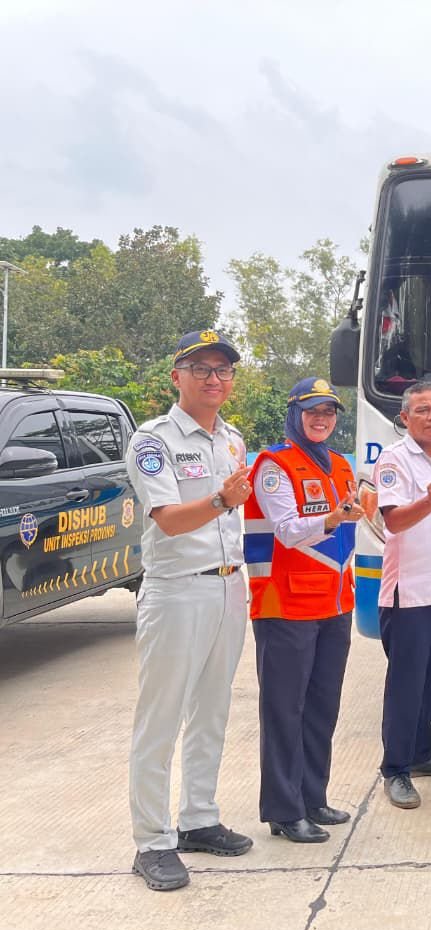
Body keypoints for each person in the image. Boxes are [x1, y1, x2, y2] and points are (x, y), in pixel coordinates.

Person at [125, 330, 254, 892]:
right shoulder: (153, 440)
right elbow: (170, 520)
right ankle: (152, 841)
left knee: (211, 711)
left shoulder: (233, 440)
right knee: (161, 718)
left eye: (223, 369)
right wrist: (222, 498)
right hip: (177, 590)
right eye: (200, 368)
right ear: (176, 377)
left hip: (228, 587)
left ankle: (198, 818)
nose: (213, 379)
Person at [244, 377, 363, 842]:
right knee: (284, 710)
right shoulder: (274, 465)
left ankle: (313, 797)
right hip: (286, 605)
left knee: (321, 707)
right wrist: (333, 517)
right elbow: (288, 530)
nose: (321, 419)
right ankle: (283, 809)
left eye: (329, 412)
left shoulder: (340, 465)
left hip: (335, 602)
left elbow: (352, 526)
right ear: (295, 414)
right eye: (312, 411)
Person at [374, 380, 431, 809]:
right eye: (423, 410)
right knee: (406, 686)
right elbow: (394, 521)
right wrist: (428, 501)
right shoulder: (395, 459)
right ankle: (395, 769)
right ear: (405, 417)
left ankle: (420, 754)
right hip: (409, 595)